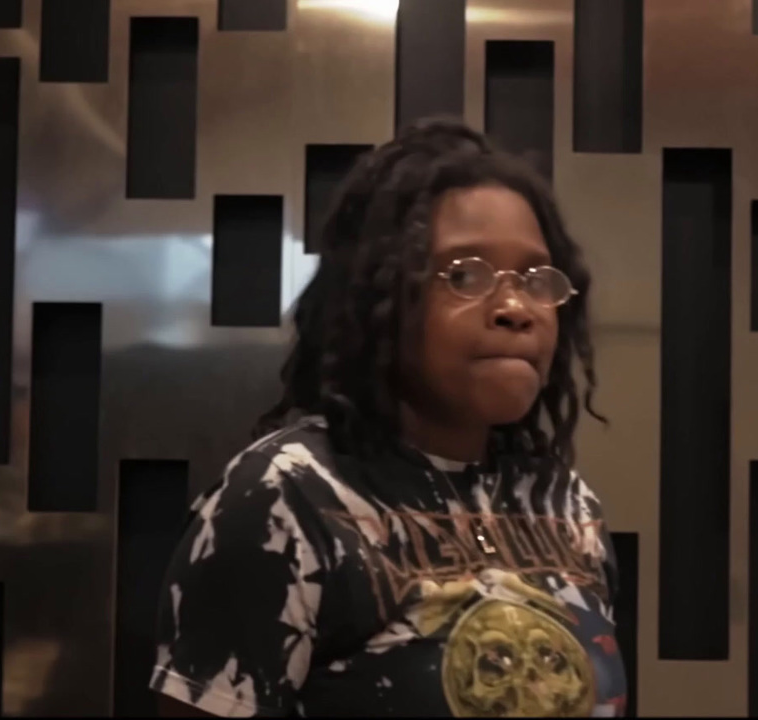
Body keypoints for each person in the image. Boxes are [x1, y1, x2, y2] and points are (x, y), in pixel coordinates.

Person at [152, 117, 626, 718]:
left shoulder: (568, 508)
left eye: (537, 279)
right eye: (465, 274)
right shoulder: (288, 500)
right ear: (377, 295)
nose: (514, 307)